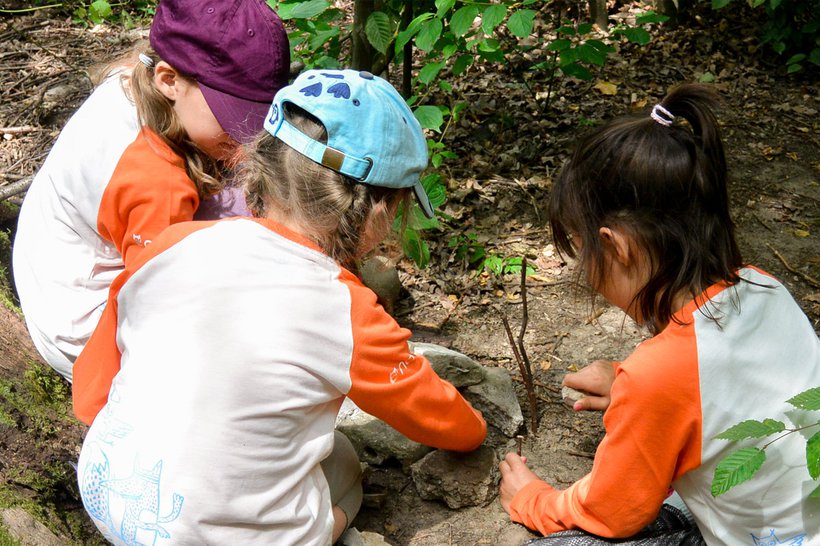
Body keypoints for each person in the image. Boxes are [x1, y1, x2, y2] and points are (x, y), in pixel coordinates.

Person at [74, 69, 487, 545]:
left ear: (260, 163)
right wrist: (474, 430)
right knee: (345, 467)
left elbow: (93, 390)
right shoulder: (344, 307)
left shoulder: (170, 244)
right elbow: (433, 414)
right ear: (378, 212)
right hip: (207, 537)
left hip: (107, 496)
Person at [499, 84, 819, 545]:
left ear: (616, 246)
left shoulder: (660, 374)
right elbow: (738, 387)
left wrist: (532, 498)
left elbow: (612, 513)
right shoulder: (765, 285)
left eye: (583, 247)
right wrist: (632, 388)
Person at [12, 0, 290, 382]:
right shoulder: (156, 182)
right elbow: (162, 310)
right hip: (86, 334)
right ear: (169, 80)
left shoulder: (135, 83)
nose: (246, 137)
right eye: (231, 115)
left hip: (54, 273)